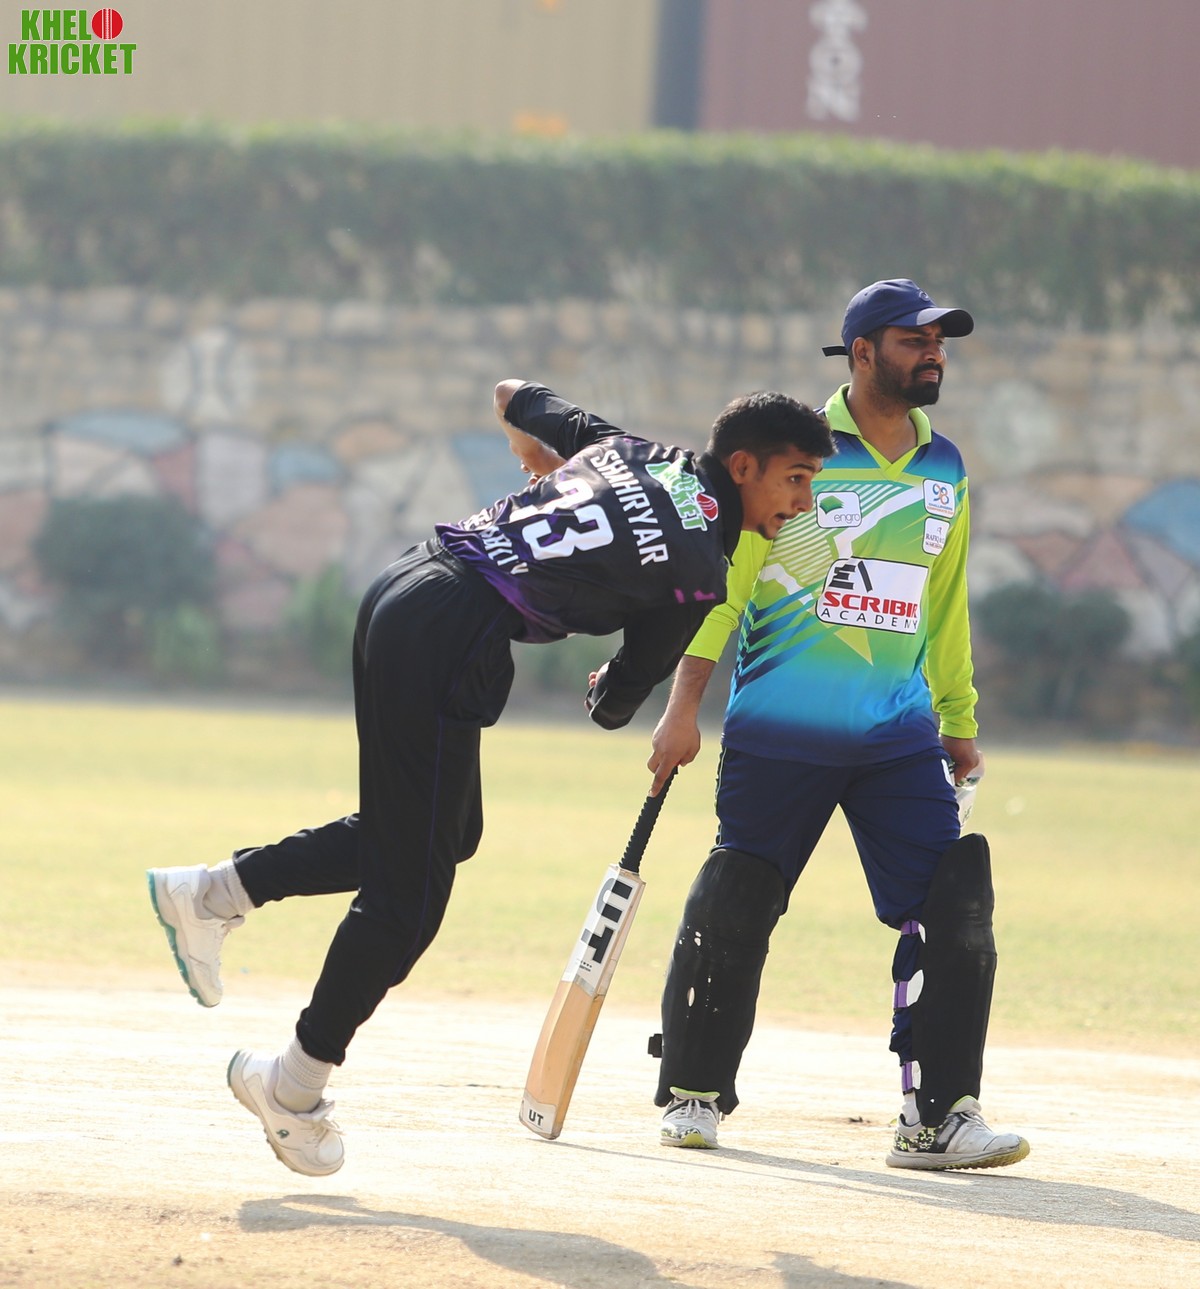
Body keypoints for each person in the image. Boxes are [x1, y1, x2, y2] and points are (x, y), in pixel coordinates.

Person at [147, 379, 835, 1176]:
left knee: (442, 834)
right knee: (408, 899)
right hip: (450, 636)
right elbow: (618, 702)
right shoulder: (698, 569)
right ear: (743, 466)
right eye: (795, 479)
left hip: (407, 585)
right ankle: (291, 1087)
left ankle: (213, 892)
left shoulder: (632, 449)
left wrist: (536, 458)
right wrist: (608, 684)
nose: (802, 501)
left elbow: (514, 394)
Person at [646, 279, 1030, 1171]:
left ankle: (939, 1117)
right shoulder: (795, 453)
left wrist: (958, 719)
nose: (933, 353)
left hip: (897, 734)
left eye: (939, 341)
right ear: (862, 351)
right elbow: (727, 588)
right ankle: (694, 1092)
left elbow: (943, 601)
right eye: (914, 339)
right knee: (737, 901)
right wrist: (682, 705)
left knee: (954, 902)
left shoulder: (945, 467)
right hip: (781, 727)